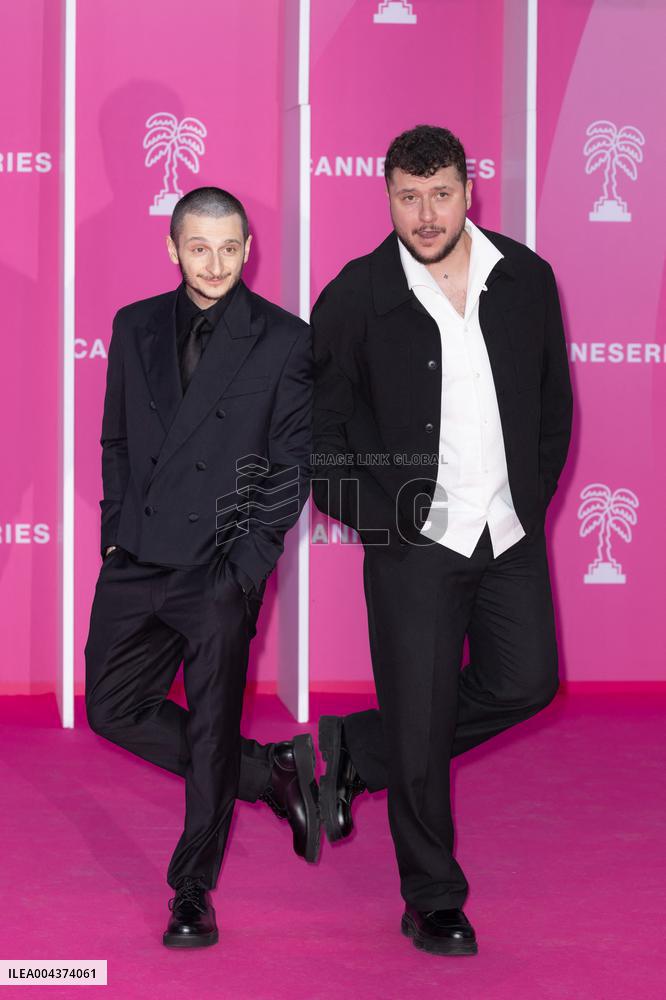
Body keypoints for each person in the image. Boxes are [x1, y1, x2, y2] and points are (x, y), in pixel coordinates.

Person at [311, 125, 573, 956]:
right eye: (408, 196)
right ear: (386, 195)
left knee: (527, 682)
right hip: (414, 544)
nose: (426, 214)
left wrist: (523, 500)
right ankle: (431, 897)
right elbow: (317, 435)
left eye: (441, 193)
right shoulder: (355, 295)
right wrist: (386, 523)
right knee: (421, 720)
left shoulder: (526, 278)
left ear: (471, 191)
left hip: (507, 533)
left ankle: (359, 747)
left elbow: (551, 407)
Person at [84, 187, 317, 949]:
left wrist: (244, 568)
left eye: (228, 247)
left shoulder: (282, 338)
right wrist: (116, 534)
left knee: (211, 725)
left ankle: (192, 890)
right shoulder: (134, 325)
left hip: (217, 566)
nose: (213, 263)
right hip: (139, 557)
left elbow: (289, 466)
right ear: (172, 247)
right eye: (198, 247)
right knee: (112, 707)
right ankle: (268, 774)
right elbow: (116, 440)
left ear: (249, 249)